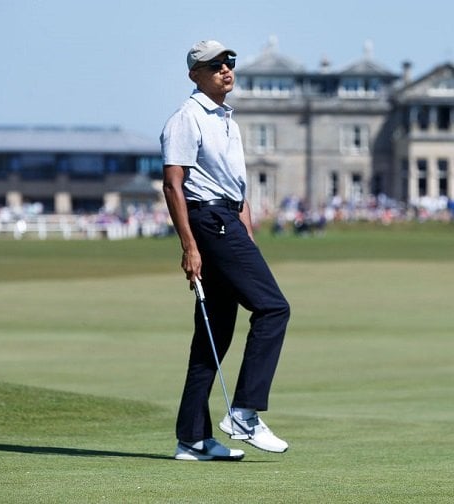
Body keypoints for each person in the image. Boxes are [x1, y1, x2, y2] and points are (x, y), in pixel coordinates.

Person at [160, 40, 291, 461]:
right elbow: (173, 184)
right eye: (214, 65)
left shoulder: (226, 119)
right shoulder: (187, 118)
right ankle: (245, 413)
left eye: (228, 62)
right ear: (194, 74)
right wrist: (189, 247)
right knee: (273, 308)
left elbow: (233, 184)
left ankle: (192, 439)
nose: (225, 69)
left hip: (227, 220)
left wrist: (245, 225)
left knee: (213, 334)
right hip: (209, 223)